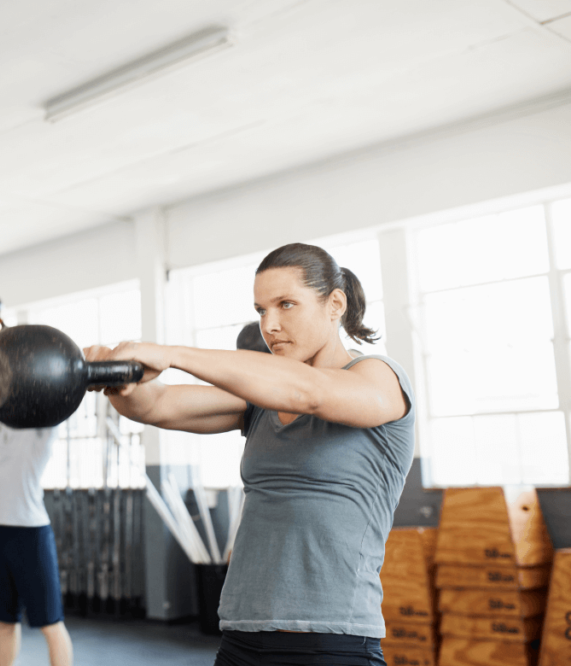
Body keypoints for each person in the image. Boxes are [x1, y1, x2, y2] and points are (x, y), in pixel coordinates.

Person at [84, 243, 413, 666]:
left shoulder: (378, 378)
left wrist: (172, 354)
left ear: (335, 304)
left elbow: (308, 391)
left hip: (332, 641)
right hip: (242, 636)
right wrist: (115, 376)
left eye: (286, 305)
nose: (269, 325)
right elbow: (156, 406)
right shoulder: (260, 401)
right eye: (261, 310)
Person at [0, 323, 73, 666]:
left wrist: (21, 351)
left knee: (50, 623)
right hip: (1, 532)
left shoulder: (45, 425)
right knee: (4, 622)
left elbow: (40, 380)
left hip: (31, 533)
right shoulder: (8, 422)